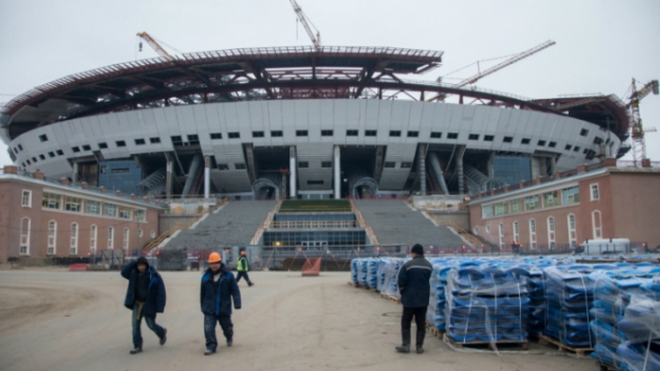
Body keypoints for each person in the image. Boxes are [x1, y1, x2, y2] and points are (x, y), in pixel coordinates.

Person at [121, 256, 167, 354]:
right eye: (139, 265)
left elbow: (161, 292)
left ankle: (162, 333)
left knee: (151, 325)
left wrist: (159, 306)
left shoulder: (154, 276)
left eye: (143, 265)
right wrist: (133, 262)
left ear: (146, 265)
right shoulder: (133, 274)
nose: (141, 267)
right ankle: (137, 345)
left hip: (149, 304)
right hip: (137, 303)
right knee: (135, 325)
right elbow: (123, 272)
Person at [200, 252, 241, 355]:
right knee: (208, 328)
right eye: (212, 263)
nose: (214, 265)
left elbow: (235, 290)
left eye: (216, 263)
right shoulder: (205, 277)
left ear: (220, 263)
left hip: (223, 307)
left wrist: (237, 303)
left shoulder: (228, 276)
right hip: (209, 308)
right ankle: (211, 346)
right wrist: (203, 306)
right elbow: (202, 294)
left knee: (227, 327)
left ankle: (229, 335)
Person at [396, 243, 432, 354]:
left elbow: (401, 280)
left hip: (410, 299)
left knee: (406, 322)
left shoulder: (408, 265)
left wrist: (403, 293)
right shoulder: (428, 266)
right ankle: (419, 346)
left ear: (414, 253)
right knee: (421, 323)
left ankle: (406, 345)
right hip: (423, 299)